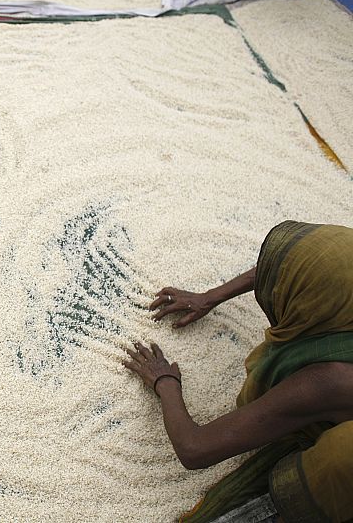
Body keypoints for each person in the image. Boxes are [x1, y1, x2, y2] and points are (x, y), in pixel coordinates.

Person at [124, 221, 353, 522]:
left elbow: (195, 448)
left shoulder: (330, 379)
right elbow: (280, 270)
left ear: (309, 296)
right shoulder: (340, 295)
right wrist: (211, 296)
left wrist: (165, 382)